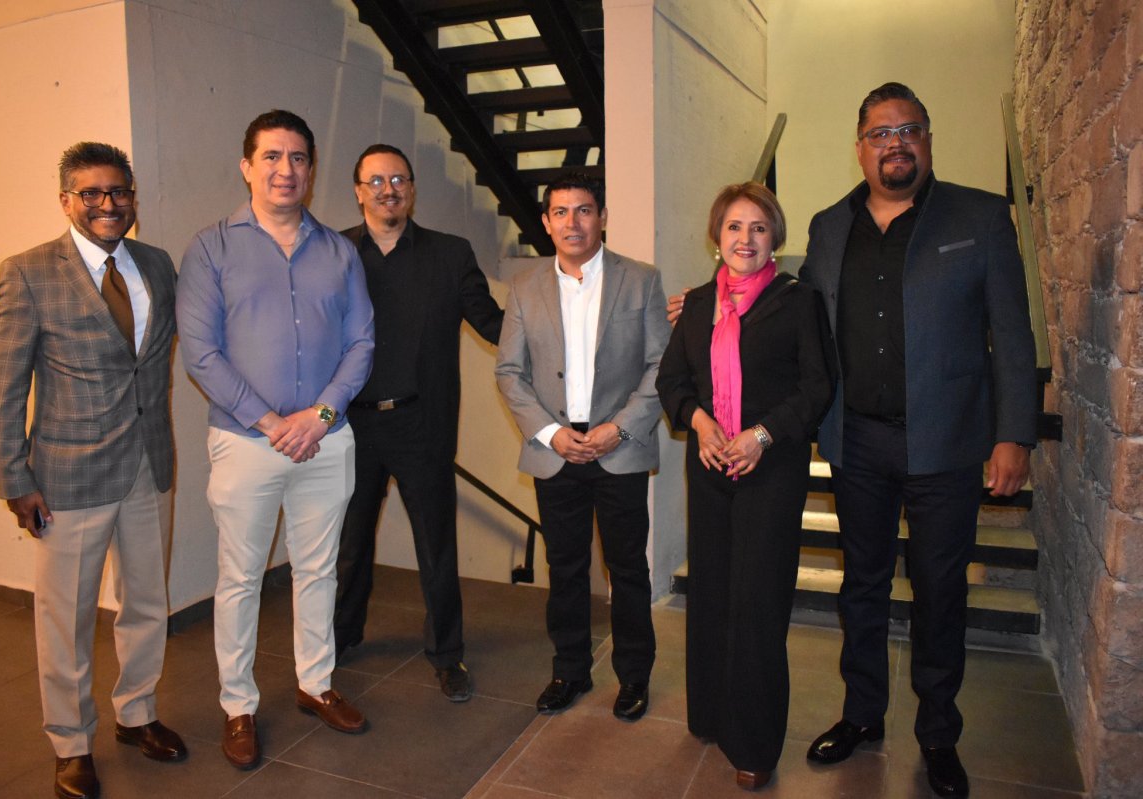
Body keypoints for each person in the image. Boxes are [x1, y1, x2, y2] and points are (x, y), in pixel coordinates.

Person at [799, 83, 1036, 798]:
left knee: (939, 592)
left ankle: (938, 733)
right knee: (862, 585)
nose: (895, 142)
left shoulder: (980, 216)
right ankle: (863, 713)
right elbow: (799, 317)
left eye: (909, 129)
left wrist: (1013, 434)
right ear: (860, 147)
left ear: (928, 139)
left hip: (947, 443)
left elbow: (1013, 333)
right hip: (856, 441)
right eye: (880, 132)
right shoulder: (828, 226)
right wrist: (715, 302)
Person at [0, 141, 186, 799]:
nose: (108, 203)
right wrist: (15, 478)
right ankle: (71, 743)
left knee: (147, 601)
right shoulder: (27, 273)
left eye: (119, 191)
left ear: (133, 197)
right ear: (66, 200)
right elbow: (4, 387)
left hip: (149, 463)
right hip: (68, 477)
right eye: (92, 193)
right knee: (65, 617)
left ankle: (137, 712)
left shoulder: (156, 264)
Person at [177, 110, 375, 769]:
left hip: (326, 439)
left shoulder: (339, 252)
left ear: (311, 170)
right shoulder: (211, 248)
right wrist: (270, 422)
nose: (285, 170)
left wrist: (319, 415)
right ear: (247, 166)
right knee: (240, 577)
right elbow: (201, 353)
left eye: (297, 158)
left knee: (319, 568)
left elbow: (361, 342)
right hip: (245, 442)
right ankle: (238, 705)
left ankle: (316, 684)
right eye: (271, 156)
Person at [656, 182, 834, 790]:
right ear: (717, 237)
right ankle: (710, 715)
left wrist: (761, 435)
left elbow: (817, 386)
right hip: (710, 466)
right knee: (710, 594)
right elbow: (673, 381)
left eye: (758, 227)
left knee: (757, 602)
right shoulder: (697, 305)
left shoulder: (798, 301)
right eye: (734, 226)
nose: (745, 238)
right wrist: (701, 423)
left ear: (774, 238)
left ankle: (754, 743)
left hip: (771, 469)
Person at [495, 171, 669, 721]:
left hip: (619, 448)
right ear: (546, 222)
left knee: (628, 569)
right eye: (561, 212)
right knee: (564, 567)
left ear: (603, 217)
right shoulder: (524, 287)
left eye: (585, 210)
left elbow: (660, 365)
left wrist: (619, 427)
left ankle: (634, 676)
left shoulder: (641, 280)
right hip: (556, 451)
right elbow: (509, 372)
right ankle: (569, 670)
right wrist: (551, 434)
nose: (573, 222)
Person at [333, 144, 503, 701]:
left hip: (423, 425)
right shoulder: (332, 253)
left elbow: (494, 325)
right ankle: (340, 636)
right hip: (350, 428)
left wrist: (564, 315)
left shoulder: (450, 254)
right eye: (376, 180)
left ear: (411, 188)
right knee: (349, 545)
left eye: (399, 179)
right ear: (358, 191)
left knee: (436, 546)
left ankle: (448, 654)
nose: (389, 189)